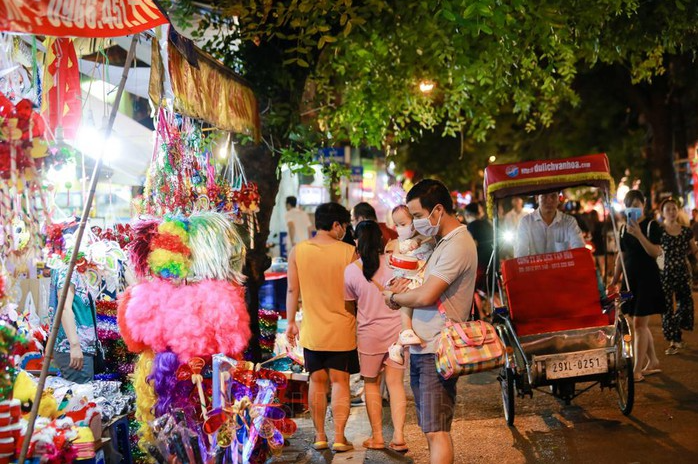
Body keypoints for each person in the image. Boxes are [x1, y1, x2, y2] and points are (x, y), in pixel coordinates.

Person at [382, 179, 477, 464]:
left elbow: (426, 295)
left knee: (437, 431)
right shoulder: (441, 243)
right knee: (431, 429)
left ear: (438, 211)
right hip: (426, 348)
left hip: (438, 348)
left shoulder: (458, 244)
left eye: (420, 216)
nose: (417, 224)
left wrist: (395, 298)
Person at [285, 202, 358, 452]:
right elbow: (356, 293)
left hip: (312, 328)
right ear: (336, 225)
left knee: (316, 381)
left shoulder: (298, 251)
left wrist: (292, 321)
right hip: (342, 327)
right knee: (340, 382)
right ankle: (339, 437)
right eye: (344, 226)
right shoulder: (349, 252)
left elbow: (293, 289)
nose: (345, 231)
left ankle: (319, 436)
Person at [344, 221, 407, 453]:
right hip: (396, 333)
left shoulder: (351, 270)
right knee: (396, 385)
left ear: (358, 241)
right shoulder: (394, 265)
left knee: (371, 384)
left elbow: (350, 304)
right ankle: (399, 437)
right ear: (381, 240)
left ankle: (378, 437)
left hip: (369, 335)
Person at [610, 190, 664, 382]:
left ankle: (637, 370)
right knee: (636, 320)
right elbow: (621, 255)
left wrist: (639, 234)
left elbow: (656, 252)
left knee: (639, 324)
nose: (634, 208)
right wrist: (615, 279)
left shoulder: (651, 226)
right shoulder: (623, 228)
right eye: (630, 205)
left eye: (637, 204)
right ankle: (653, 360)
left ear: (644, 204)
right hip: (630, 280)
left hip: (648, 279)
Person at [385, 205, 436, 364]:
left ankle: (399, 344)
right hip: (409, 279)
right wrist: (399, 247)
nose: (399, 229)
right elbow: (391, 257)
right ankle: (405, 332)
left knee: (409, 304)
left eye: (403, 224)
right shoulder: (401, 243)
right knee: (407, 302)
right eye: (397, 225)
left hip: (419, 281)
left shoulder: (427, 238)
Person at [659, 198, 697, 355]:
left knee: (686, 304)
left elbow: (694, 250)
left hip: (683, 271)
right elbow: (655, 252)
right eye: (668, 209)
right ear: (662, 213)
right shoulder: (659, 231)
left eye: (674, 208)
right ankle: (675, 340)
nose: (672, 212)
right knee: (666, 307)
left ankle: (675, 329)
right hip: (665, 272)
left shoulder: (687, 231)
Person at [48, 266, 97, 383]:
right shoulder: (67, 270)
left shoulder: (73, 270)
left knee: (80, 396)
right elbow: (64, 308)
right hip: (74, 347)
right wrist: (74, 345)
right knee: (80, 397)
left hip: (78, 346)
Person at [515, 191, 585, 257]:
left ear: (558, 199)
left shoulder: (569, 222)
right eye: (544, 196)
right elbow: (520, 254)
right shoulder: (526, 222)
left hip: (562, 269)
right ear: (537, 198)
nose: (549, 200)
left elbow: (579, 249)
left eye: (553, 196)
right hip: (536, 269)